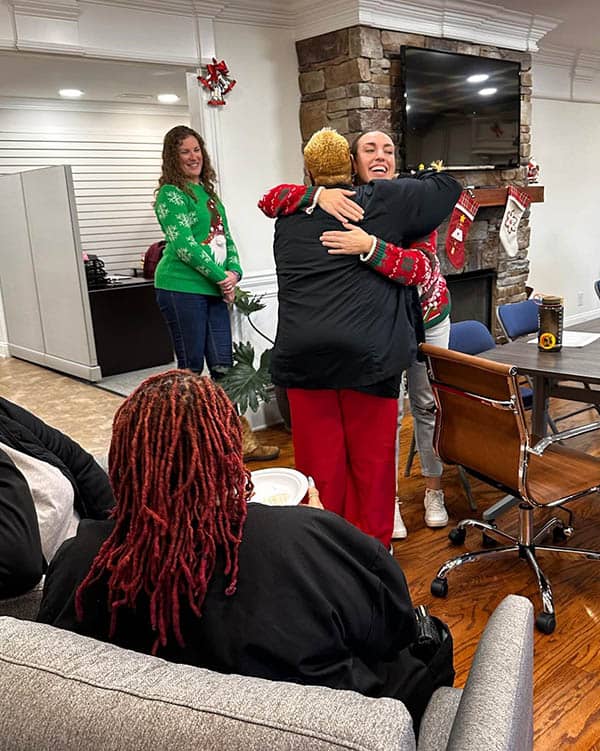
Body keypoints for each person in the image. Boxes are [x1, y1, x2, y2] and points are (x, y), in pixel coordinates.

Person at [37, 371, 453, 729]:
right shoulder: (303, 540)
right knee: (431, 640)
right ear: (228, 455)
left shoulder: (79, 562)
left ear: (125, 464)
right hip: (337, 728)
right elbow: (393, 626)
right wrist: (323, 526)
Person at [259, 128, 460, 548]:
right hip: (372, 352)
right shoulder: (384, 202)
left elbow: (422, 270)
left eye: (389, 147)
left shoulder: (290, 221)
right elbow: (447, 185)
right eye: (370, 149)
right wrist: (316, 196)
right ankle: (374, 540)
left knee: (330, 464)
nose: (381, 154)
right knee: (370, 457)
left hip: (394, 329)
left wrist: (369, 246)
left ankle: (337, 547)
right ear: (353, 162)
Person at [154, 125, 278, 462]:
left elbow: (228, 240)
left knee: (225, 369)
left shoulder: (208, 194)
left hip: (213, 289)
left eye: (197, 150)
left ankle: (240, 443)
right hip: (180, 289)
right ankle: (187, 449)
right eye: (185, 152)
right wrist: (221, 278)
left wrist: (235, 273)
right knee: (190, 370)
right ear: (173, 157)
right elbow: (183, 246)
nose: (193, 157)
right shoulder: (169, 195)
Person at [0, 397, 114, 598]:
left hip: (93, 547)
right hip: (58, 594)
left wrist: (126, 530)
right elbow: (20, 568)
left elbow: (78, 461)